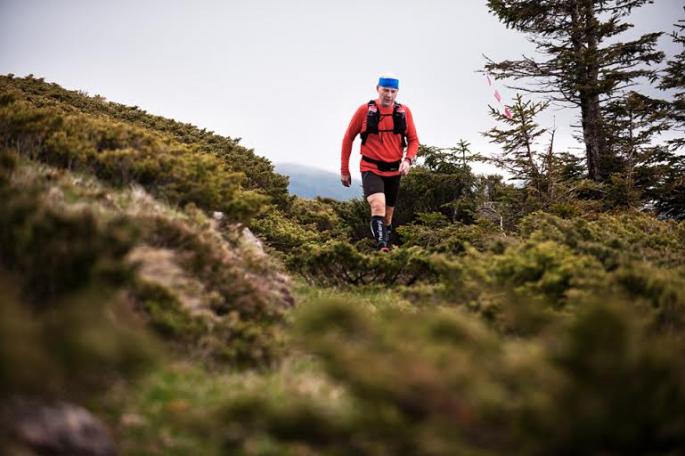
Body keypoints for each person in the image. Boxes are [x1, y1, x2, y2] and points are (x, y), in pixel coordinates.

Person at [340, 74, 419, 251]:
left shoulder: (404, 112)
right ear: (378, 89)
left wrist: (407, 160)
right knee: (378, 205)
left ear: (397, 92)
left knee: (388, 217)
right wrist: (344, 169)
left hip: (394, 170)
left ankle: (385, 248)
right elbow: (348, 138)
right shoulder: (364, 110)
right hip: (371, 167)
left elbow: (414, 140)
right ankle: (381, 246)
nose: (389, 95)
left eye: (393, 91)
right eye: (385, 90)